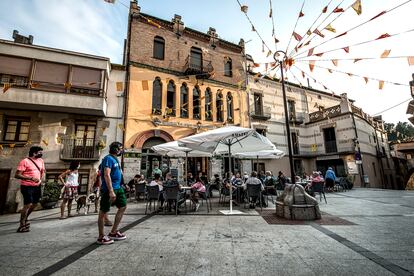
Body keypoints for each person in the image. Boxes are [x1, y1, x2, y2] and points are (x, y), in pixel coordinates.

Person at [97, 142, 127, 245]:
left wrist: (124, 184)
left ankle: (113, 232)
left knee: (123, 206)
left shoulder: (115, 159)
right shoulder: (108, 159)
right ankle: (101, 236)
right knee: (103, 211)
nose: (122, 151)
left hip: (118, 188)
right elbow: (106, 175)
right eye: (121, 149)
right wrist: (111, 191)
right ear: (116, 149)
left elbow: (118, 173)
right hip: (109, 189)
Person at [15, 146, 45, 233]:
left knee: (35, 204)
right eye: (39, 152)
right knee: (28, 204)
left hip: (37, 186)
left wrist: (41, 180)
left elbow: (43, 171)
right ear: (34, 153)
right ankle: (22, 224)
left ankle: (25, 218)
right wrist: (31, 178)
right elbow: (17, 175)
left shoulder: (41, 161)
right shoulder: (25, 161)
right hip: (27, 186)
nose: (41, 154)